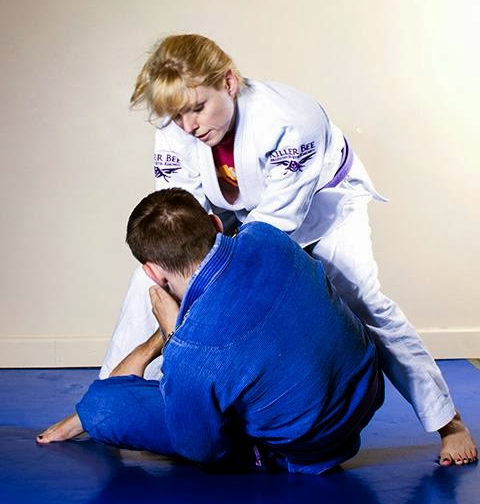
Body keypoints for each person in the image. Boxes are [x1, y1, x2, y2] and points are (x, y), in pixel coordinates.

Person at [99, 34, 476, 466]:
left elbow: (270, 238)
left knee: (365, 303)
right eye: (177, 114)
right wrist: (178, 273)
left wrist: (208, 288)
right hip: (236, 213)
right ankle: (110, 397)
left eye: (197, 108)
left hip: (321, 209)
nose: (189, 126)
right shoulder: (177, 127)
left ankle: (449, 423)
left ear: (228, 82)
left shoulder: (291, 119)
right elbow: (181, 220)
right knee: (155, 273)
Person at [37, 188, 387, 474]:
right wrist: (174, 334)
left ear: (152, 273)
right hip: (366, 395)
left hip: (308, 448)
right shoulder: (267, 237)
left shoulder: (193, 351)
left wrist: (173, 338)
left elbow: (202, 449)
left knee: (101, 406)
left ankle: (262, 454)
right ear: (216, 223)